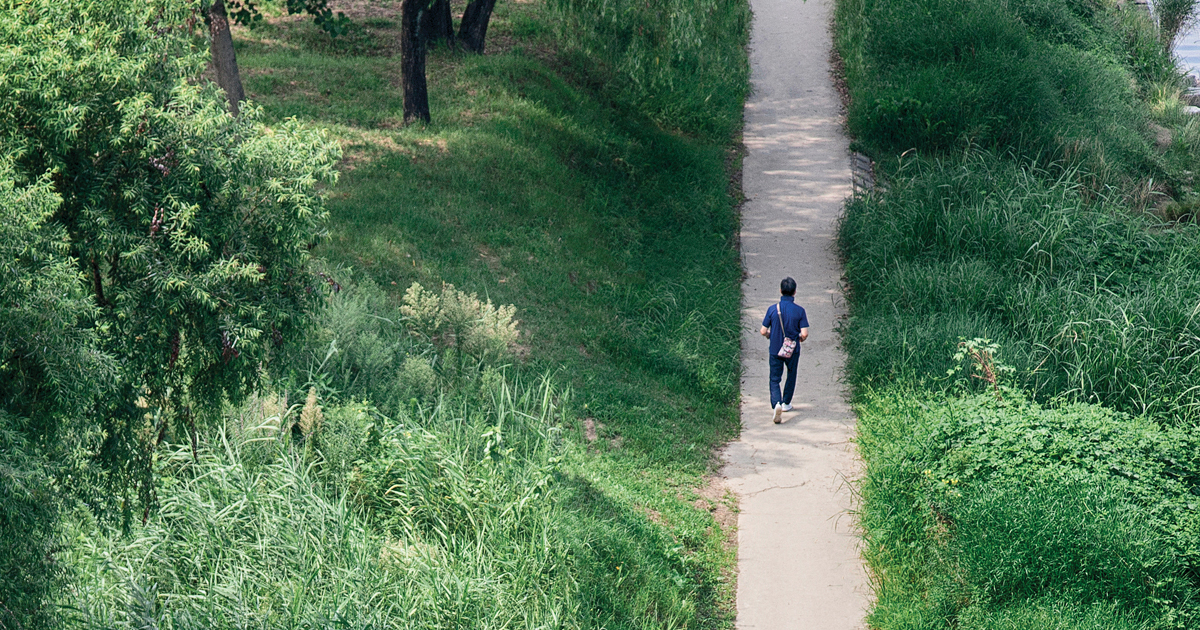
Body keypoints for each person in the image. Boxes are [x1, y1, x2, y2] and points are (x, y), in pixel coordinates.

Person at [760, 277, 809, 424]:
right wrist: (798, 339)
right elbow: (804, 333)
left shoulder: (772, 309)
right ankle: (787, 402)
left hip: (775, 349)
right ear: (794, 292)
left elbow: (763, 331)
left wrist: (770, 335)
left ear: (780, 291)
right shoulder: (800, 311)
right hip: (792, 349)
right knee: (791, 374)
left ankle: (776, 403)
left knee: (774, 378)